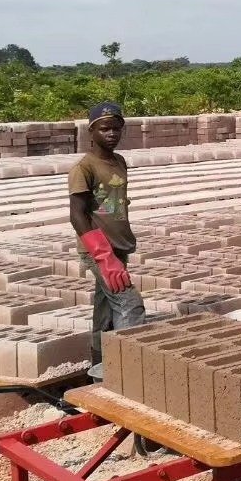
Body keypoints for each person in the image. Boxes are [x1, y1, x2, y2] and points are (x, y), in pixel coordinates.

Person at [68, 102, 146, 367]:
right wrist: (102, 255)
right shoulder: (84, 168)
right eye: (105, 129)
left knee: (105, 308)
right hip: (98, 249)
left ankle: (99, 364)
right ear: (92, 132)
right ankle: (130, 367)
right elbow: (77, 214)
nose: (112, 134)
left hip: (119, 246)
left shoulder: (119, 162)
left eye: (116, 129)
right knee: (129, 303)